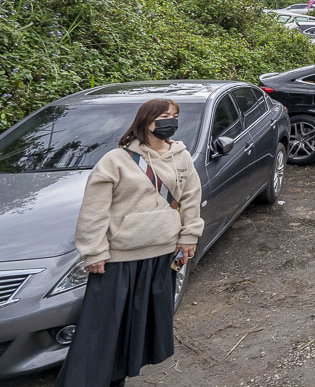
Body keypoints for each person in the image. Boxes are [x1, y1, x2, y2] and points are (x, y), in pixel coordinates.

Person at [57, 98, 204, 387]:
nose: (170, 121)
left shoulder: (181, 156)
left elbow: (190, 198)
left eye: (174, 115)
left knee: (139, 328)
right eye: (164, 116)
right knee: (101, 332)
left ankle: (118, 379)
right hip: (119, 258)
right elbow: (94, 210)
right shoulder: (116, 160)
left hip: (164, 255)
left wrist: (189, 236)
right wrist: (94, 252)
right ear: (146, 121)